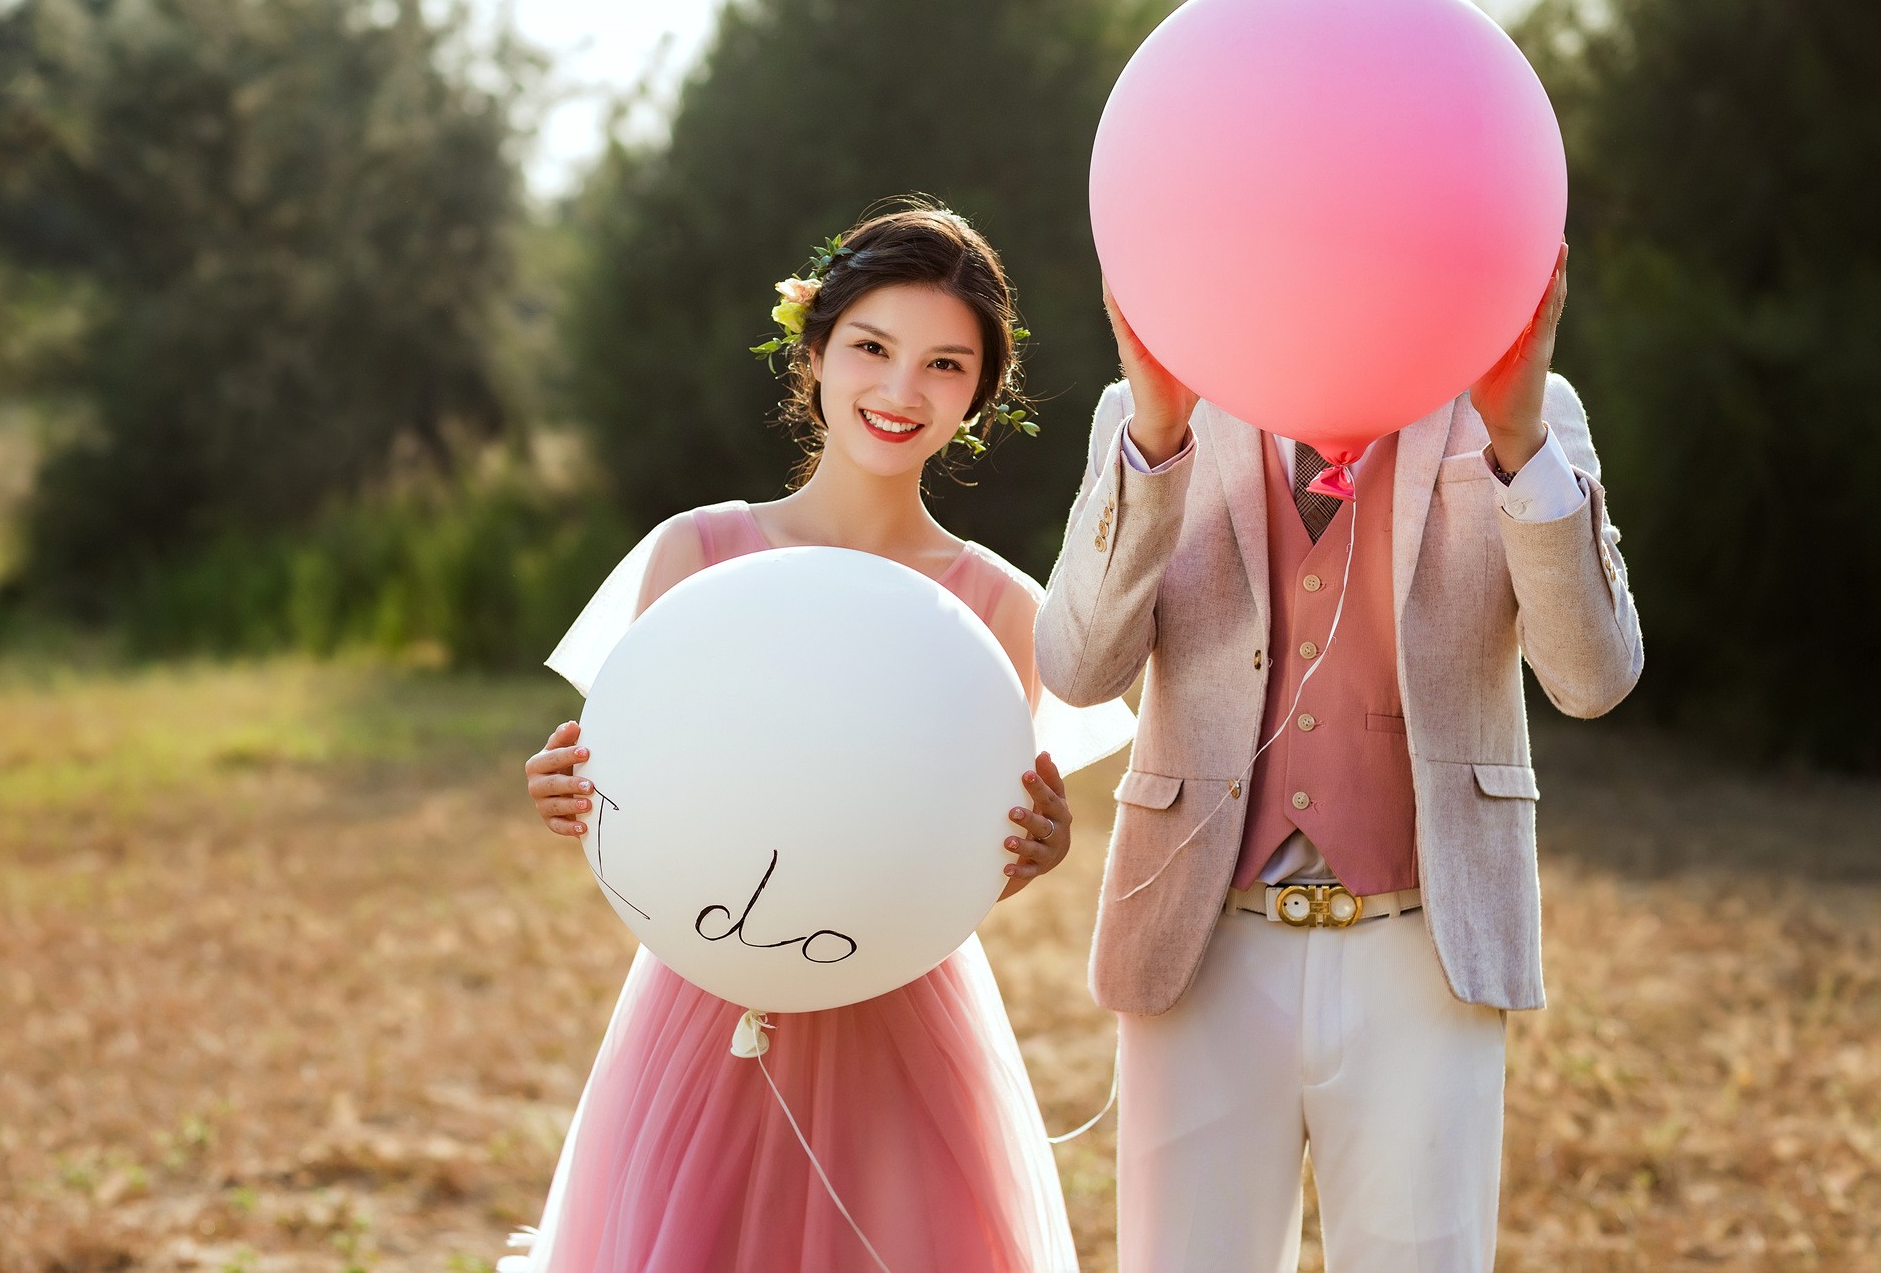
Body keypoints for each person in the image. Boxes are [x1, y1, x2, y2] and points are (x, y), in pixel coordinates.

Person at [510, 203, 1131, 1273]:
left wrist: (1035, 849)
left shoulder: (1001, 610)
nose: (900, 390)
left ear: (978, 395)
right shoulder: (696, 556)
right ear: (814, 351)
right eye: (872, 348)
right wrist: (571, 790)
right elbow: (646, 784)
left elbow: (961, 842)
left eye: (944, 364)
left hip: (903, 1013)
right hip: (704, 1000)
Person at [1036, 246, 1643, 1271]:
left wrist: (1516, 442)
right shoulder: (1145, 409)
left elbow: (1593, 678)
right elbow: (1080, 667)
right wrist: (1156, 439)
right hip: (1202, 942)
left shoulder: (1526, 407)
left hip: (1426, 948)